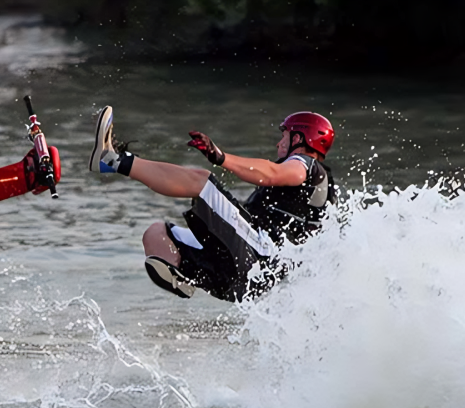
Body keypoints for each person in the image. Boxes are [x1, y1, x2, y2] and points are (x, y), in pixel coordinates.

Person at [88, 106, 336, 302]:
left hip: (262, 260)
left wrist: (221, 157)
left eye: (284, 136)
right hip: (241, 280)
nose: (279, 144)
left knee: (202, 181)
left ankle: (113, 160)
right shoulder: (311, 190)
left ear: (300, 138)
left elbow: (271, 172)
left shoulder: (308, 166)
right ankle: (186, 278)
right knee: (157, 234)